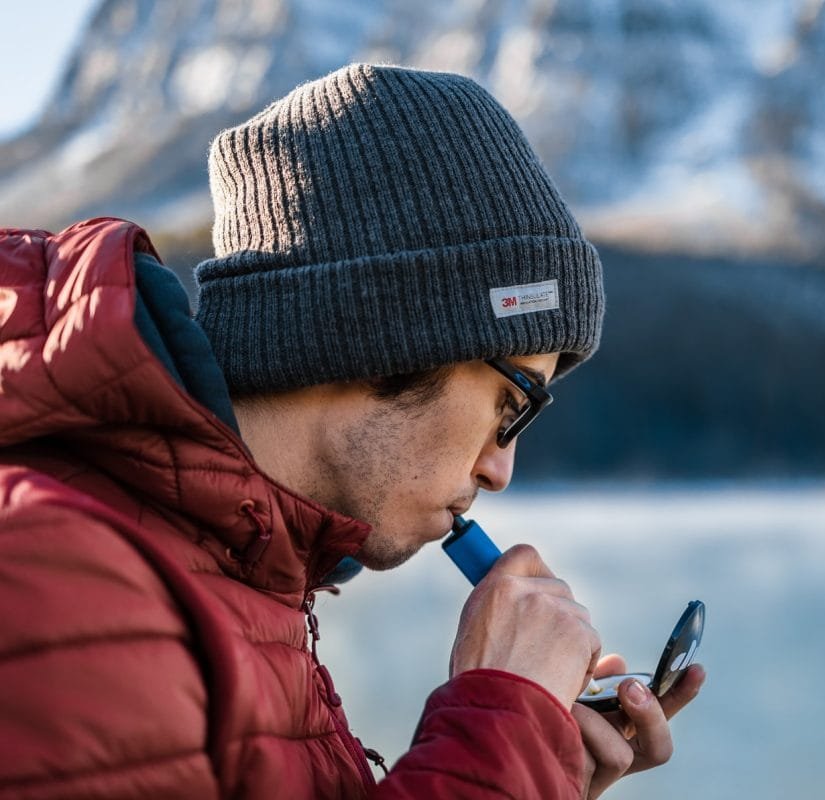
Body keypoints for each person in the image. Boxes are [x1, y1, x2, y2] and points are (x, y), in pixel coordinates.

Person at [0, 63, 704, 798]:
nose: (501, 469)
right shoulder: (63, 577)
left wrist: (536, 768)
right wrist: (505, 729)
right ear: (382, 338)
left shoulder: (251, 585)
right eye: (510, 403)